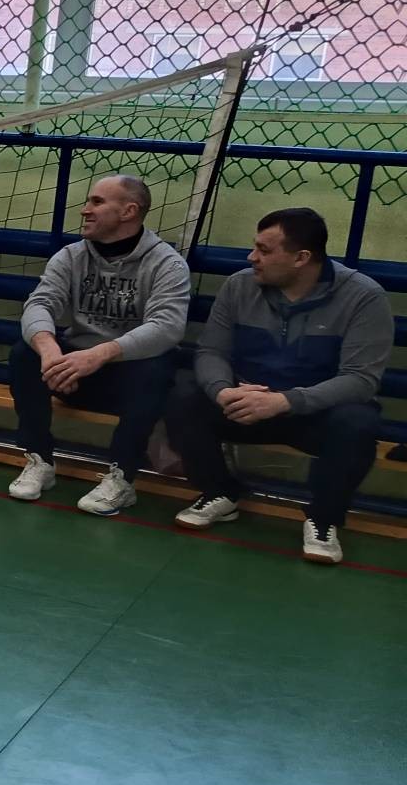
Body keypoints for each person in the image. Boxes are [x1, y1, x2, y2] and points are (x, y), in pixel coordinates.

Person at [163, 207, 390, 564]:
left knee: (358, 423)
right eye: (254, 247)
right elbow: (211, 351)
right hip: (244, 404)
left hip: (313, 414)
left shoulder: (363, 297)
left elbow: (361, 379)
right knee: (184, 396)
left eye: (264, 250)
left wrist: (286, 401)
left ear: (302, 258)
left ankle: (324, 518)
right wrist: (223, 391)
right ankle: (220, 492)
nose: (251, 257)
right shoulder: (239, 286)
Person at [5, 174, 190, 515]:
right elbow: (40, 303)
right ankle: (39, 459)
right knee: (24, 353)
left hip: (127, 378)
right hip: (72, 374)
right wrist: (49, 350)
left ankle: (122, 478)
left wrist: (100, 354)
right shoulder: (70, 256)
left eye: (97, 202)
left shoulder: (167, 263)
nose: (85, 210)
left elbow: (167, 327)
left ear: (129, 211)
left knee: (158, 368)